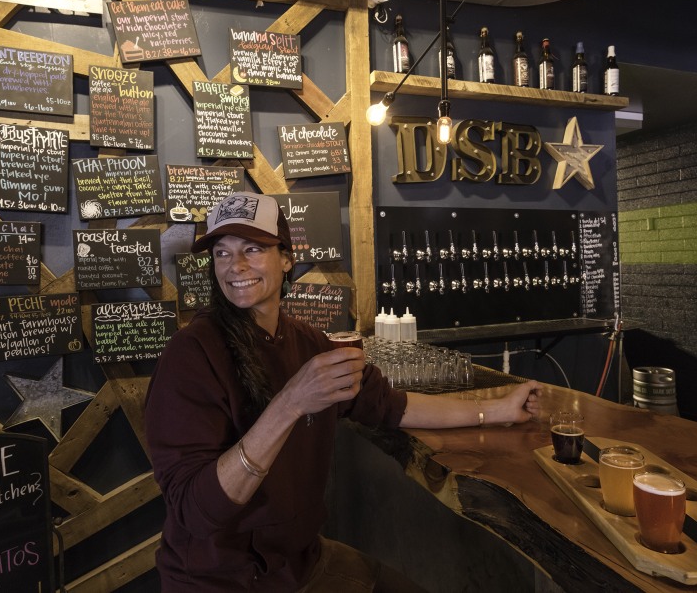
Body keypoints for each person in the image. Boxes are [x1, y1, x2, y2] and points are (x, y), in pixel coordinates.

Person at [145, 192, 541, 592]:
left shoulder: (307, 341)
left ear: (285, 259)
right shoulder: (191, 355)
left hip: (301, 564)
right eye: (222, 253)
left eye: (253, 248)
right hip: (220, 580)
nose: (236, 266)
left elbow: (391, 405)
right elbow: (198, 512)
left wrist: (495, 409)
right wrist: (290, 403)